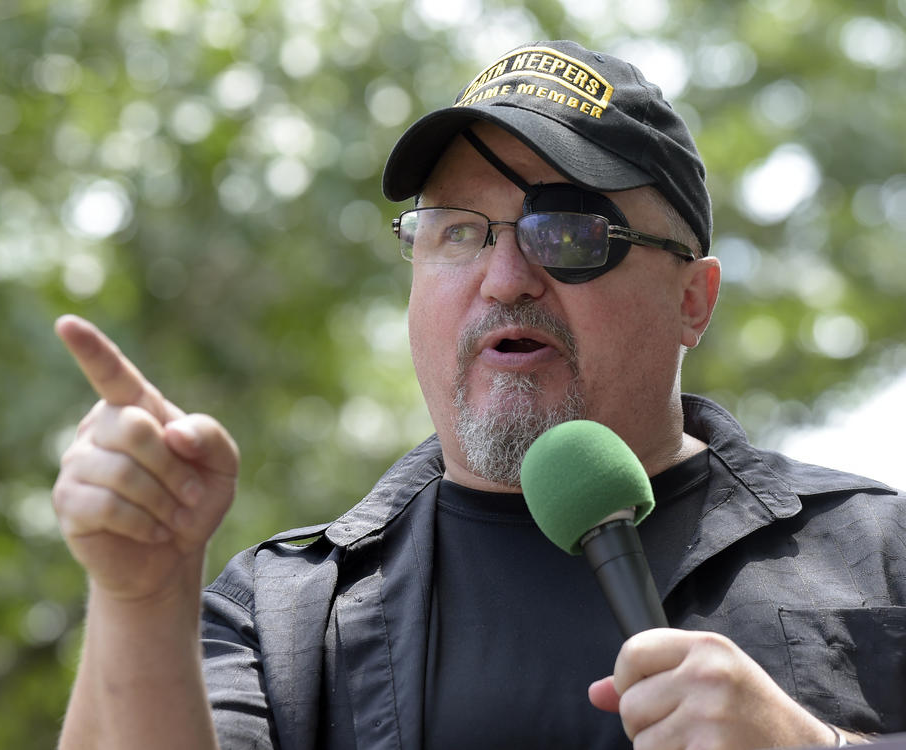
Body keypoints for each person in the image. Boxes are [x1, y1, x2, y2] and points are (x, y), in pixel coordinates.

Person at [51, 40, 906, 749]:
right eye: (458, 231)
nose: (505, 278)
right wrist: (142, 597)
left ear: (694, 299)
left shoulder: (879, 553)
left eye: (567, 231)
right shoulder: (285, 617)